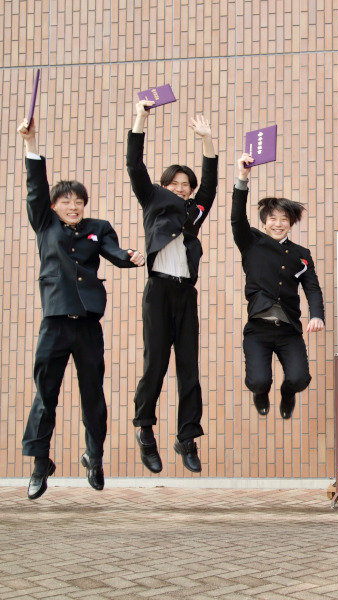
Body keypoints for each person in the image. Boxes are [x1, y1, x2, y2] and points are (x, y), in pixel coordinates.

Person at [17, 118, 145, 499]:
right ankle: (40, 462)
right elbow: (35, 187)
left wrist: (129, 256)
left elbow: (113, 251)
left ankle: (95, 456)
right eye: (66, 201)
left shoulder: (98, 227)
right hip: (55, 323)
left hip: (88, 324)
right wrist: (31, 143)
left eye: (78, 201)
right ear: (54, 206)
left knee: (93, 395)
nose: (73, 206)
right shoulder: (45, 224)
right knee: (46, 394)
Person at [128, 99, 218, 473]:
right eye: (175, 184)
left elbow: (210, 186)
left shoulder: (195, 212)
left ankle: (187, 438)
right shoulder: (152, 199)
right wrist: (141, 117)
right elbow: (135, 165)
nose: (181, 189)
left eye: (186, 185)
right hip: (159, 291)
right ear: (164, 186)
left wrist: (207, 141)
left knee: (189, 368)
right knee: (156, 364)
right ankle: (145, 430)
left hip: (185, 293)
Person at [231, 153, 324, 419]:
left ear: (291, 224)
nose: (278, 224)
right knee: (258, 381)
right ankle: (261, 393)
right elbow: (237, 219)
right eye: (273, 218)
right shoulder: (251, 242)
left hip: (288, 329)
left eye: (284, 219)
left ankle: (287, 393)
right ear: (264, 221)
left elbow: (312, 288)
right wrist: (242, 179)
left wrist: (316, 315)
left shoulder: (301, 254)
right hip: (258, 329)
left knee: (299, 379)